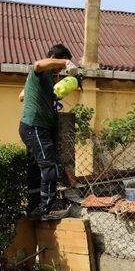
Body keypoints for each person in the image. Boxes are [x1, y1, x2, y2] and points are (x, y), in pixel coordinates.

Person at [18, 43, 78, 219]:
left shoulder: (45, 78)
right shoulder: (40, 70)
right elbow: (37, 65)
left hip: (34, 126)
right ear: (53, 57)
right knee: (49, 166)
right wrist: (65, 62)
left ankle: (33, 208)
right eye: (58, 64)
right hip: (35, 126)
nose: (59, 70)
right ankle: (46, 209)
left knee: (35, 169)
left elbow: (21, 96)